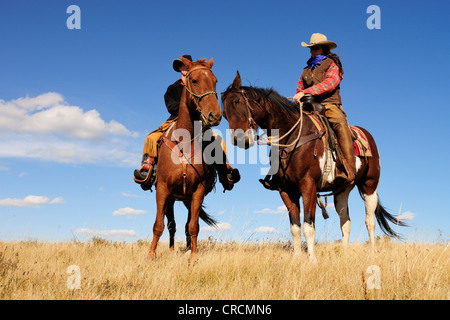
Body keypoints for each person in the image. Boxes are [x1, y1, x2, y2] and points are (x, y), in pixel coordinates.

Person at [134, 55, 240, 191]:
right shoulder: (173, 88)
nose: (184, 68)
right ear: (179, 68)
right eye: (182, 66)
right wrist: (184, 109)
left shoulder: (199, 83)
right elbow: (170, 106)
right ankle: (147, 169)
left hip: (198, 121)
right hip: (175, 119)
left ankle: (225, 172)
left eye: (186, 66)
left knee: (218, 140)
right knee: (152, 138)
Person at [294, 33, 356, 184]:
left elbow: (330, 84)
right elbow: (299, 88)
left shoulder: (333, 64)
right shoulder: (306, 70)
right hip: (308, 106)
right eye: (311, 48)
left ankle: (349, 169)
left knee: (340, 123)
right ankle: (278, 172)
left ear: (324, 48)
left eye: (315, 48)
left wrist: (305, 92)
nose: (312, 51)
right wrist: (298, 96)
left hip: (329, 104)